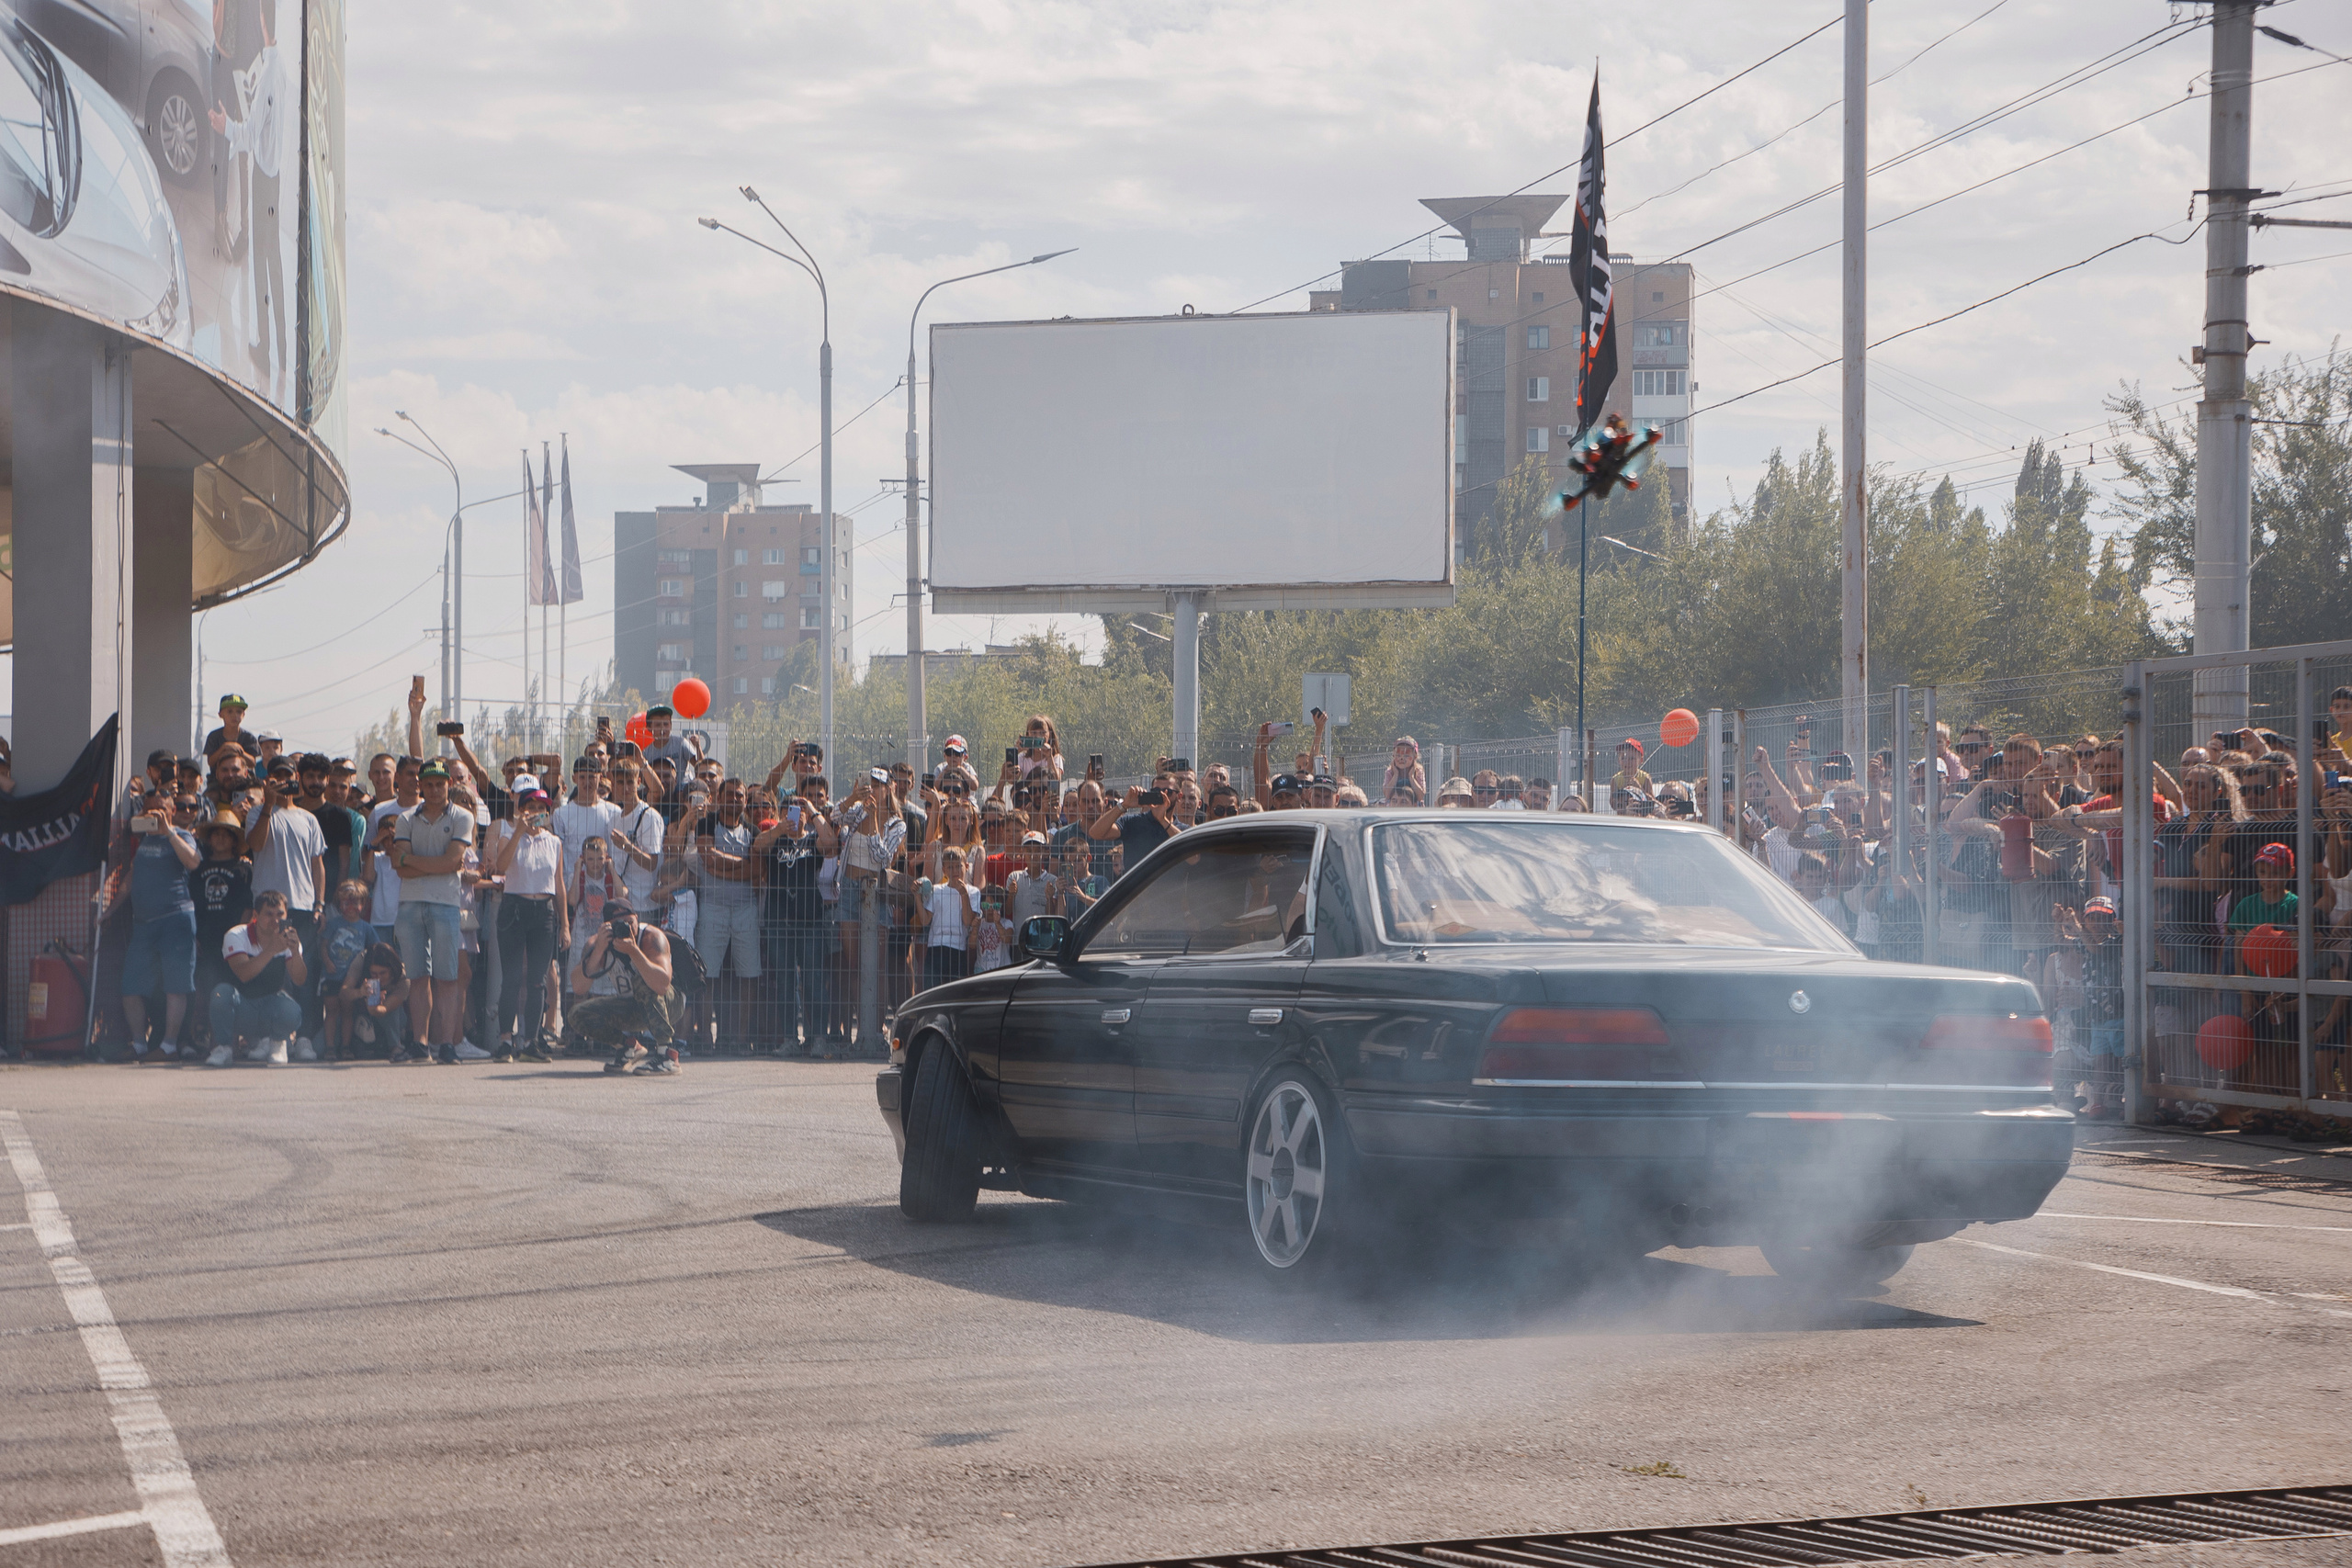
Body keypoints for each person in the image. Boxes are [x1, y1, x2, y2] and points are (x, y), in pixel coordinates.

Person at [390, 760, 477, 1064]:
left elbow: (453, 861)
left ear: (448, 785)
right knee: (417, 976)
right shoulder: (405, 818)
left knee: (447, 977)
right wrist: (437, 865)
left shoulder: (462, 816)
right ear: (420, 786)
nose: (435, 789)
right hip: (411, 903)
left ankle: (448, 1044)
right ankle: (420, 1043)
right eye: (429, 783)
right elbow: (398, 866)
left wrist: (413, 861)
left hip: (446, 904)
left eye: (441, 783)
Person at [243, 758, 326, 1059]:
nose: (283, 781)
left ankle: (303, 1038)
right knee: (269, 972)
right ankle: (271, 1037)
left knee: (303, 972)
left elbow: (318, 864)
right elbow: (256, 843)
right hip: (268, 908)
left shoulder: (308, 818)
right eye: (276, 776)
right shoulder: (257, 812)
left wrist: (320, 903)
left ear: (297, 779)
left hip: (303, 906)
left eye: (287, 776)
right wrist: (267, 803)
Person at [119, 792, 202, 1061]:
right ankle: (139, 1045)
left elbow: (193, 861)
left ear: (171, 811)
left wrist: (169, 831)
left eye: (161, 810)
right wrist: (109, 910)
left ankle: (169, 1046)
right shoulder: (143, 838)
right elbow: (132, 877)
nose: (155, 814)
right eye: (150, 809)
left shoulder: (181, 834)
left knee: (175, 985)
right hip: (143, 924)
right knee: (131, 985)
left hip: (174, 919)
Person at [492, 783, 566, 1064]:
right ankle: (505, 1041)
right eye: (530, 807)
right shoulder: (509, 836)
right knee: (511, 978)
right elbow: (501, 866)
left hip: (543, 911)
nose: (536, 813)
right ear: (521, 810)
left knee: (537, 981)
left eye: (541, 808)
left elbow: (557, 883)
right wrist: (519, 832)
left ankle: (531, 1041)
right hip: (515, 908)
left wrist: (565, 924)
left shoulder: (553, 842)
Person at [570, 903, 683, 1075]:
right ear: (607, 927)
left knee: (643, 982)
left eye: (630, 922)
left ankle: (667, 1055)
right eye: (619, 924)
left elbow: (662, 984)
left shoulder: (651, 937)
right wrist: (599, 950)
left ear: (637, 918)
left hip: (668, 1004)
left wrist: (634, 951)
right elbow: (578, 987)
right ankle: (628, 1048)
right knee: (577, 1014)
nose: (627, 928)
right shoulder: (598, 943)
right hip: (633, 1005)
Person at [208, 890, 308, 1066]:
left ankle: (278, 1043)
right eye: (269, 914)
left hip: (269, 1005)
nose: (275, 921)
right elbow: (244, 974)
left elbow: (299, 980)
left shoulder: (289, 939)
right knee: (220, 994)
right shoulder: (237, 935)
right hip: (241, 1005)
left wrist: (294, 952)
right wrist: (271, 950)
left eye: (280, 914)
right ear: (255, 915)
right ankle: (224, 1048)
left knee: (292, 1010)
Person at [316, 881, 377, 1060]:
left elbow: (374, 951)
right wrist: (327, 962)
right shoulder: (334, 924)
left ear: (363, 905)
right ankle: (329, 1047)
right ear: (339, 904)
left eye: (355, 902)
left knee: (348, 1011)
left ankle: (346, 1046)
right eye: (346, 903)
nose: (351, 907)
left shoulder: (367, 928)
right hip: (332, 976)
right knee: (332, 1011)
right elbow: (324, 945)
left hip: (352, 980)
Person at [914, 847, 979, 987]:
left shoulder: (973, 892)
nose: (955, 871)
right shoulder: (936, 890)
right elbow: (925, 920)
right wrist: (917, 897)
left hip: (958, 949)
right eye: (950, 867)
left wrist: (963, 894)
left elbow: (968, 921)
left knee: (955, 994)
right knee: (932, 990)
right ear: (944, 870)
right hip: (935, 947)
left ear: (966, 866)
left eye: (958, 866)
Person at [334, 942, 412, 1059]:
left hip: (391, 1016)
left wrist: (373, 1007)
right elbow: (343, 993)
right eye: (374, 973)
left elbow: (387, 1008)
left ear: (392, 969)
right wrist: (360, 992)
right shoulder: (361, 960)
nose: (378, 978)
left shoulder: (403, 978)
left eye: (383, 973)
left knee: (392, 1009)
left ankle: (395, 1046)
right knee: (318, 1046)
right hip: (358, 1014)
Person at [201, 694, 258, 763]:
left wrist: (239, 751)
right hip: (218, 774)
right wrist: (224, 748)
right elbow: (211, 762)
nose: (234, 715)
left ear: (243, 715)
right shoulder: (214, 736)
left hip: (243, 774)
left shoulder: (249, 737)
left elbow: (252, 763)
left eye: (239, 712)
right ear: (220, 714)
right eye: (230, 711)